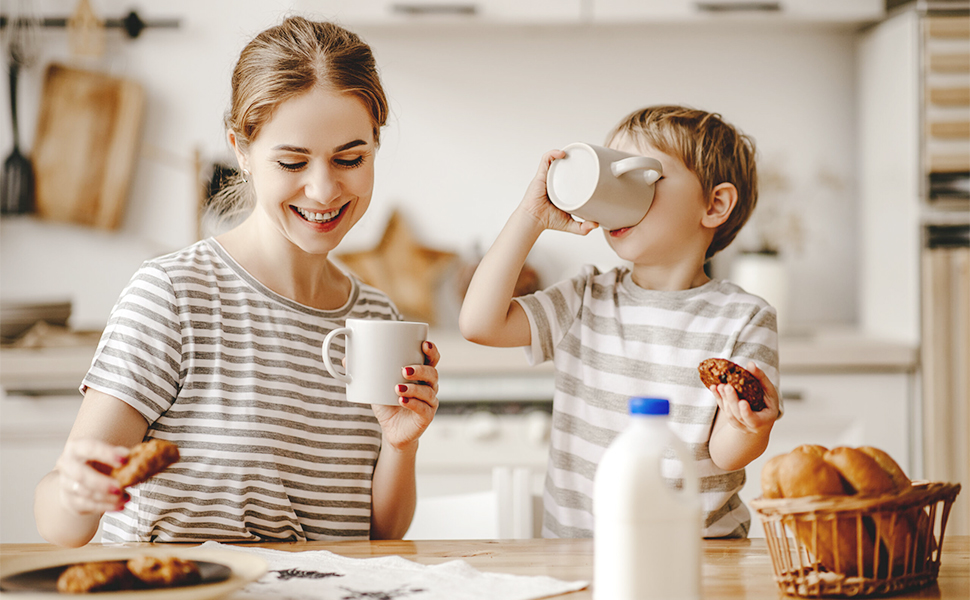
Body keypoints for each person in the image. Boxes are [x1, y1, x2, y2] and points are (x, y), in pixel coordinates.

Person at [34, 16, 440, 547]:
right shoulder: (174, 296)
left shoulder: (378, 321)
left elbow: (379, 534)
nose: (323, 189)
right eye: (293, 161)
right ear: (241, 150)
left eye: (350, 158)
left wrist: (400, 443)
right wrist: (74, 491)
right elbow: (62, 523)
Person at [459, 105, 781, 539]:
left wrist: (748, 426)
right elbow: (480, 323)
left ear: (715, 204)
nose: (615, 193)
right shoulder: (585, 298)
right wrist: (530, 217)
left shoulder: (743, 317)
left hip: (698, 557)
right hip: (581, 554)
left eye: (643, 175)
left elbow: (726, 455)